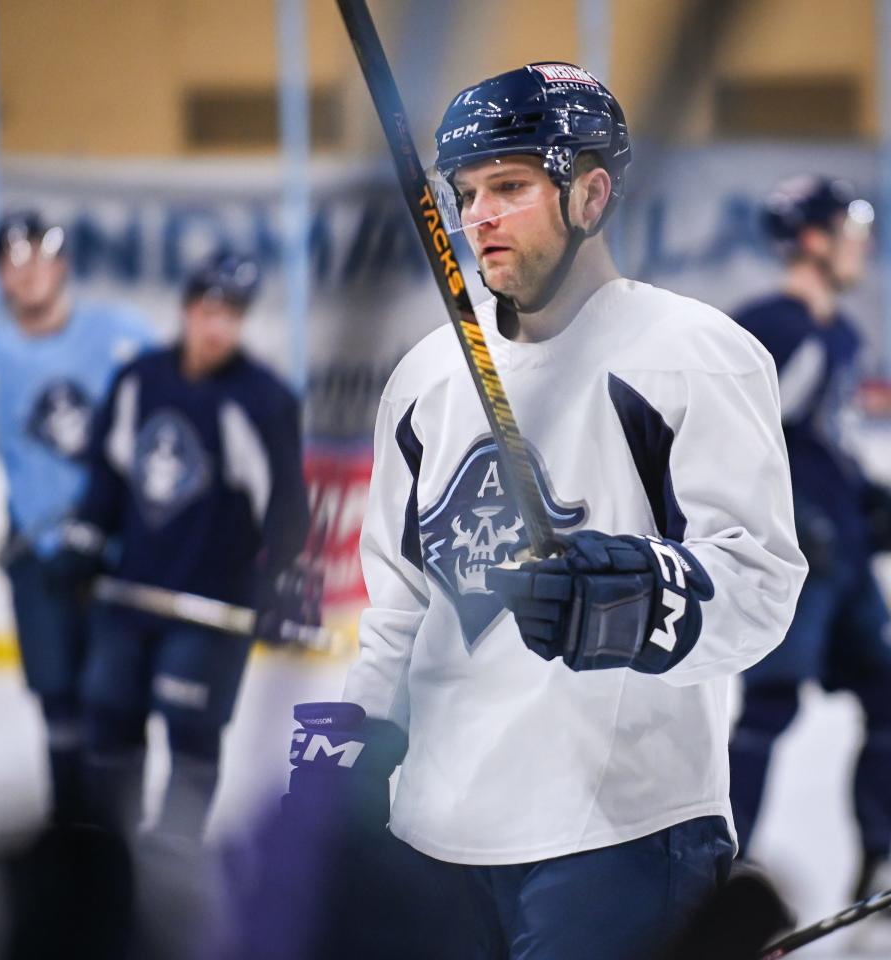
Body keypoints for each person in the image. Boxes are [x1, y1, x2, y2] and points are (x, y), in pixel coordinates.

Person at [282, 62, 807, 959]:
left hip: (621, 838)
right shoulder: (424, 377)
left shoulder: (696, 355)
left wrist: (637, 597)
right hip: (432, 838)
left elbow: (759, 583)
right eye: (468, 191)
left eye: (512, 186)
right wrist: (353, 744)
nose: (479, 215)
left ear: (592, 193)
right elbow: (401, 601)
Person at [52, 250, 310, 842]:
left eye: (233, 313)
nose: (217, 325)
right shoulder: (139, 380)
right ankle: (108, 861)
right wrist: (85, 542)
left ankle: (170, 869)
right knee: (108, 719)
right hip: (132, 597)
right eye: (209, 308)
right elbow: (107, 481)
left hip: (211, 609)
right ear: (188, 307)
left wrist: (280, 578)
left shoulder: (264, 400)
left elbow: (287, 507)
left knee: (191, 732)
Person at [0, 210, 153, 823]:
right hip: (39, 557)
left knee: (120, 701)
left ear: (63, 265)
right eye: (13, 261)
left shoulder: (124, 337)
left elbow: (171, 424)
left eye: (39, 257)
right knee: (59, 703)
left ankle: (124, 849)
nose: (28, 274)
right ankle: (71, 842)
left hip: (121, 552)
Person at [727, 176, 891, 906]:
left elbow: (825, 442)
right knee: (769, 707)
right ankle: (717, 873)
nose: (864, 242)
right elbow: (730, 444)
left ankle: (882, 860)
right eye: (851, 229)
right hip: (797, 559)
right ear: (816, 239)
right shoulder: (772, 327)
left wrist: (866, 502)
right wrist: (788, 521)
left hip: (845, 560)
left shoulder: (841, 333)